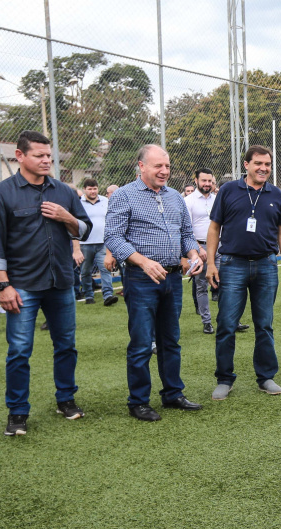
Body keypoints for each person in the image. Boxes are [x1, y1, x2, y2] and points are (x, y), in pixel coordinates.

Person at [0, 131, 93, 436]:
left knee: (66, 345)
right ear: (20, 156)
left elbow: (83, 230)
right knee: (19, 350)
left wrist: (66, 216)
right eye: (39, 156)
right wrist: (4, 286)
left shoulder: (65, 192)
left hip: (61, 282)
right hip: (22, 285)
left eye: (49, 156)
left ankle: (66, 399)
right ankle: (17, 412)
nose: (46, 161)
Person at [105, 144, 204, 422]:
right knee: (140, 342)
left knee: (170, 340)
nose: (164, 171)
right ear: (141, 166)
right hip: (141, 278)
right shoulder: (124, 196)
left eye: (167, 166)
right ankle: (138, 401)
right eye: (158, 166)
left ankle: (173, 393)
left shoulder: (175, 197)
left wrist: (193, 253)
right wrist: (143, 261)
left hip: (172, 278)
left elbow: (186, 234)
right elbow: (113, 237)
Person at [205, 145, 281, 401]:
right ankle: (224, 379)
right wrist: (211, 263)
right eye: (258, 163)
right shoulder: (228, 191)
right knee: (226, 324)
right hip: (232, 265)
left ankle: (265, 377)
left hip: (266, 266)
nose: (263, 168)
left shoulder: (276, 194)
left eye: (267, 164)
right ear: (246, 165)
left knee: (264, 325)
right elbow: (214, 229)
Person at [184, 168, 218, 334]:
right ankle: (207, 322)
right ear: (196, 181)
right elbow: (186, 229)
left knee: (227, 284)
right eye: (204, 181)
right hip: (199, 249)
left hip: (219, 247)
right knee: (201, 286)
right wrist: (198, 249)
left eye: (210, 181)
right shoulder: (188, 201)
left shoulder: (218, 199)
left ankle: (231, 320)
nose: (207, 184)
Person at [78, 179, 117, 306]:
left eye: (94, 188)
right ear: (84, 189)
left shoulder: (105, 201)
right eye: (89, 189)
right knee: (85, 271)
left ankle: (108, 295)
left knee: (105, 268)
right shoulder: (79, 203)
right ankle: (89, 295)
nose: (93, 191)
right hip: (85, 243)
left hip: (103, 242)